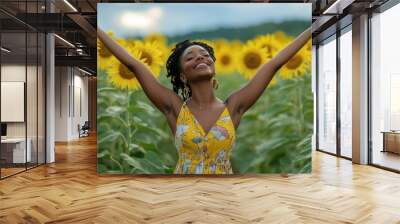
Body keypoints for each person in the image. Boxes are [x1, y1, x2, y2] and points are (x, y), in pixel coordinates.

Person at [97, 26, 312, 174]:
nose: (199, 57)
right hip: (184, 193)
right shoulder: (174, 109)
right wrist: (96, 29)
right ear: (182, 75)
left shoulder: (234, 107)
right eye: (190, 57)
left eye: (204, 54)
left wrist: (312, 29)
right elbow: (135, 65)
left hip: (223, 194)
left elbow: (273, 64)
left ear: (213, 66)